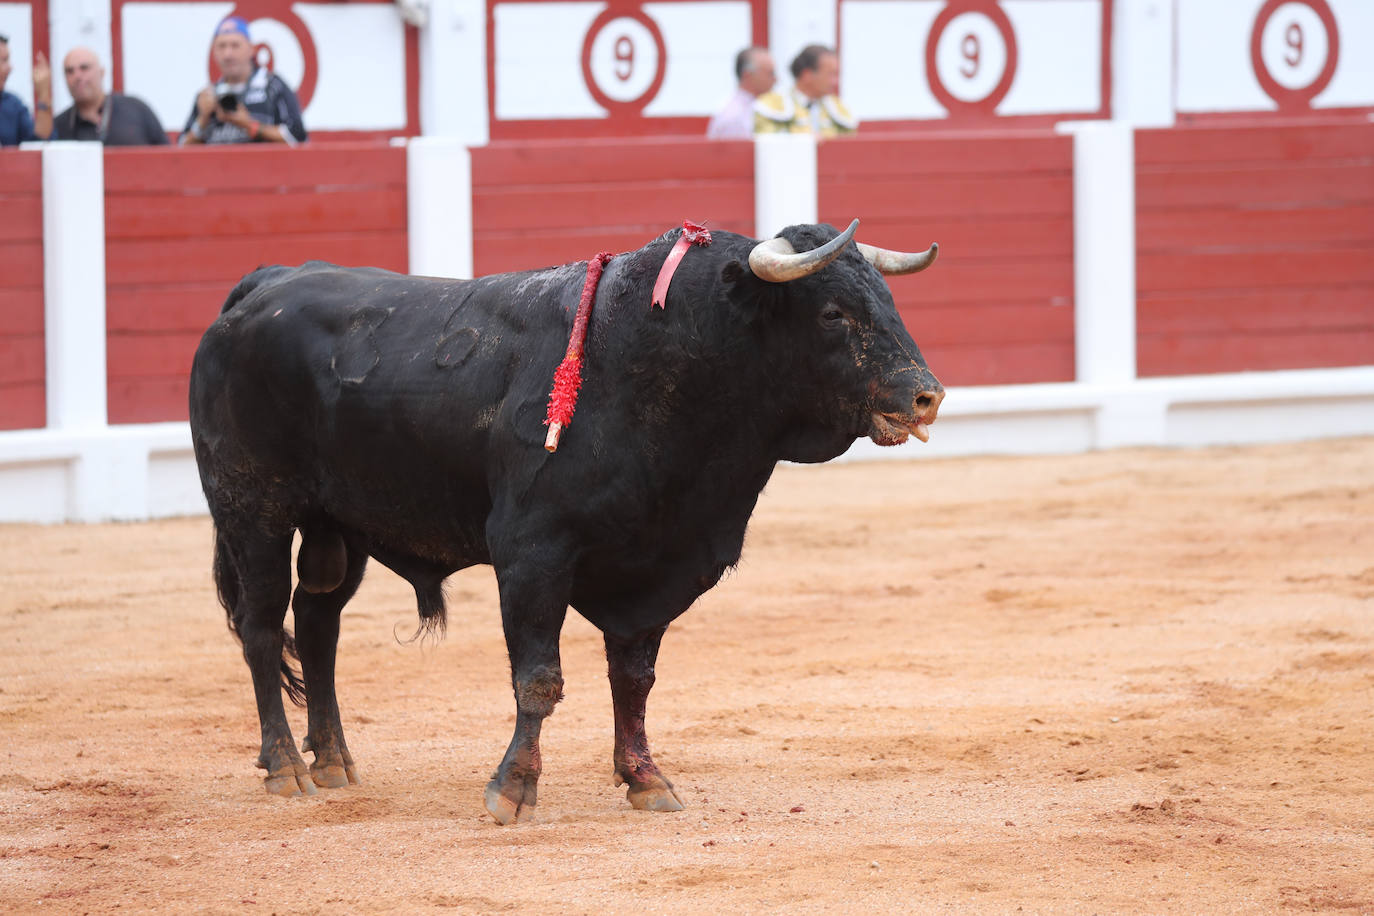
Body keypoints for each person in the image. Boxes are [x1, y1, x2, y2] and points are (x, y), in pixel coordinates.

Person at [180, 16, 306, 145]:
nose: (228, 54)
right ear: (214, 52)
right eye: (221, 46)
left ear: (251, 49)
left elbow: (298, 138)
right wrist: (202, 120)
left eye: (235, 46)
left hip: (263, 164)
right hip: (218, 164)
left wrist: (249, 125)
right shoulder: (207, 95)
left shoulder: (272, 86)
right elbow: (179, 151)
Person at [51, 47, 167, 145]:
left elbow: (169, 157)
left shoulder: (137, 110)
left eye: (84, 68)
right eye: (70, 71)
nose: (77, 76)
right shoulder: (59, 125)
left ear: (101, 72)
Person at [754, 44, 857, 138]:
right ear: (807, 75)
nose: (835, 82)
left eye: (836, 75)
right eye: (830, 74)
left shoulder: (838, 108)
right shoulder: (771, 105)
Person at [706, 46, 775, 140]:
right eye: (770, 73)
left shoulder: (753, 106)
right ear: (748, 74)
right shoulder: (735, 116)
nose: (775, 80)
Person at [0, 34, 51, 146]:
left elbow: (40, 142)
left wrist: (43, 94)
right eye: (4, 60)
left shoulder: (13, 105)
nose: (10, 68)